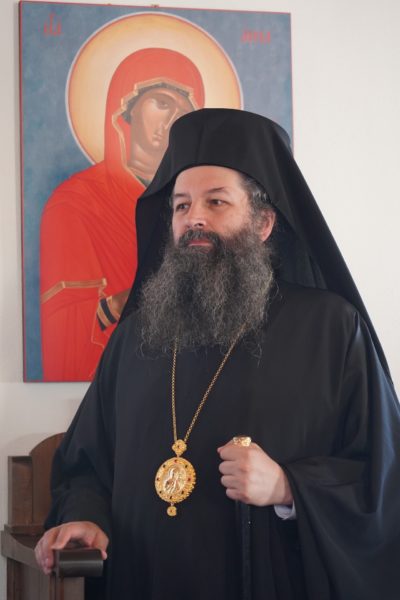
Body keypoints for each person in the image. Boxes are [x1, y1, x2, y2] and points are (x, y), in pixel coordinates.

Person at [36, 109, 400, 599]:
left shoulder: (330, 327)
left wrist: (289, 487)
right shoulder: (136, 334)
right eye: (181, 205)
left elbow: (382, 474)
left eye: (216, 202)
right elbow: (87, 464)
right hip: (144, 579)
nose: (195, 219)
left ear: (264, 222)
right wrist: (85, 516)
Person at [40, 48, 204, 381]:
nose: (171, 121)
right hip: (120, 377)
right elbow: (64, 325)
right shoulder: (74, 201)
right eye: (161, 103)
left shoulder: (196, 205)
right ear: (126, 109)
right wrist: (119, 304)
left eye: (183, 111)